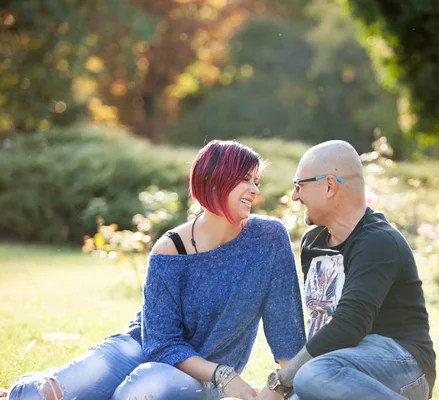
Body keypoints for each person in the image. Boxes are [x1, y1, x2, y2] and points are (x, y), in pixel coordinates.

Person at [6, 140, 306, 400]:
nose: (254, 190)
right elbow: (161, 342)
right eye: (245, 180)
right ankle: (20, 389)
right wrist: (227, 375)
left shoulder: (268, 238)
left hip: (202, 372)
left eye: (256, 181)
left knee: (139, 392)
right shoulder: (170, 249)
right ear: (215, 181)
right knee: (42, 395)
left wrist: (280, 386)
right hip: (141, 345)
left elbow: (285, 327)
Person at [257, 140, 436, 400]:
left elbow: (349, 325)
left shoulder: (378, 241)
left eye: (300, 185)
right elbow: (321, 325)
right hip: (335, 367)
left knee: (310, 375)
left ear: (329, 185)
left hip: (404, 366)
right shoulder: (313, 242)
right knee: (305, 386)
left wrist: (282, 382)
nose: (295, 196)